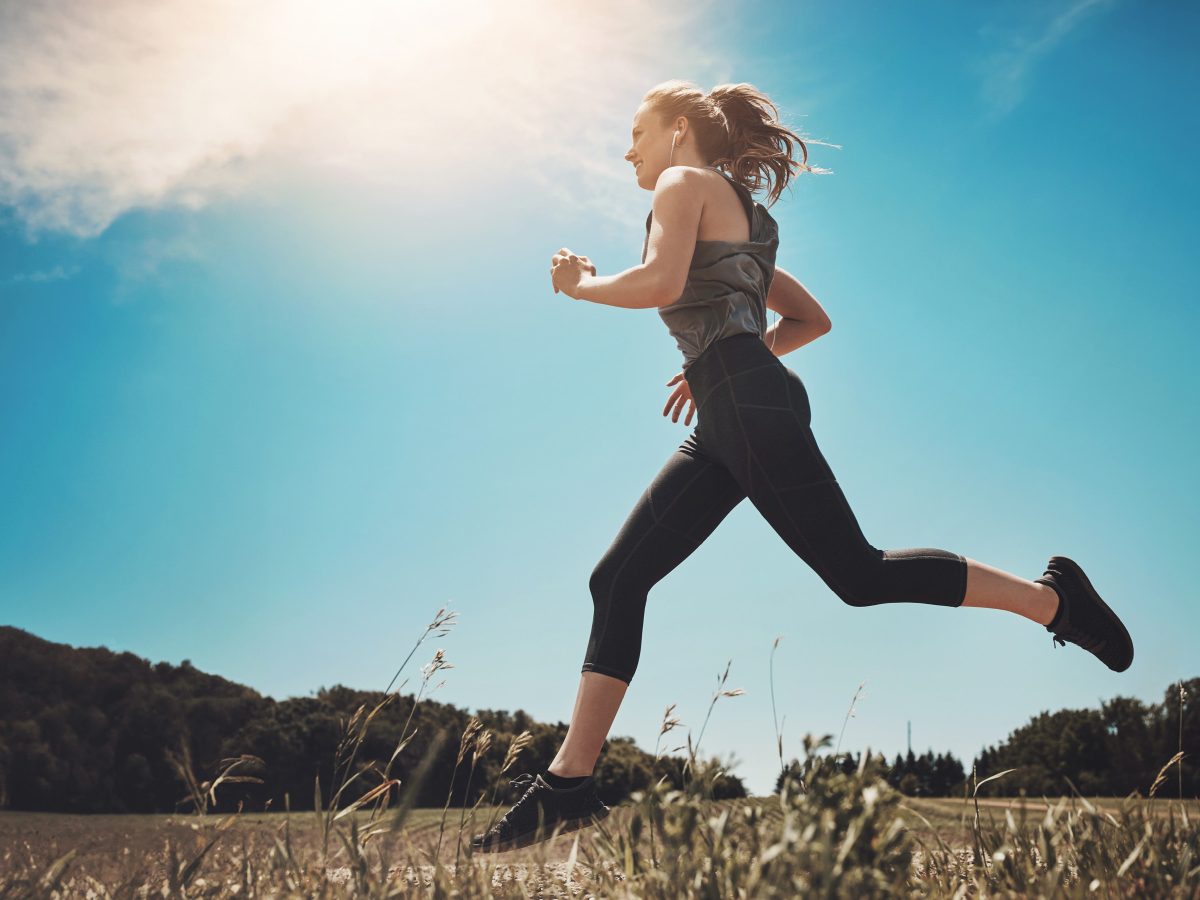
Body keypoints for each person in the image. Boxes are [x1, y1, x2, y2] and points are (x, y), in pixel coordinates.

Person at [470, 79, 1134, 854]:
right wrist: (724, 357)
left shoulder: (684, 183)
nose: (630, 151)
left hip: (747, 403)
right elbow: (807, 319)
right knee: (617, 578)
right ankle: (568, 784)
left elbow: (660, 281)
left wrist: (577, 284)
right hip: (735, 406)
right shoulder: (749, 219)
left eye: (638, 133)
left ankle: (1052, 600)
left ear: (679, 131)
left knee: (859, 574)